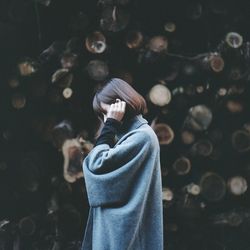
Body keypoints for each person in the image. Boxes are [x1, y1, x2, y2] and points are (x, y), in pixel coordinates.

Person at [81, 78, 163, 250]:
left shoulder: (142, 137)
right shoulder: (129, 137)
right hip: (119, 231)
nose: (106, 119)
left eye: (107, 113)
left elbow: (96, 165)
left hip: (126, 234)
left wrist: (110, 125)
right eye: (103, 116)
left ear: (120, 105)